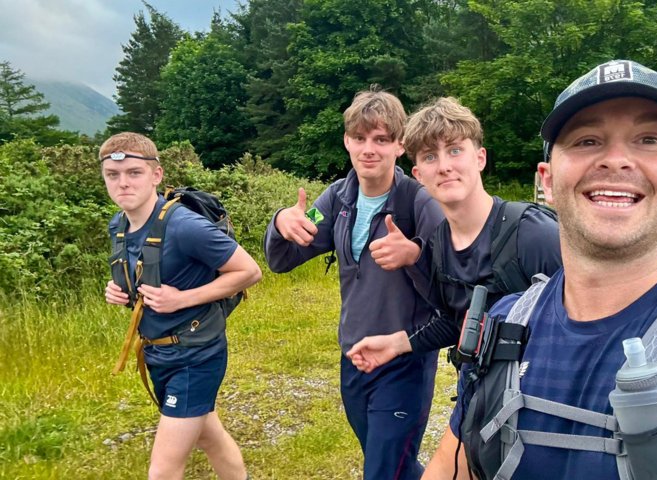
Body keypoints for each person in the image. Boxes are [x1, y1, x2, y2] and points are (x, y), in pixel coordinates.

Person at [423, 60, 657, 479]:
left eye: (649, 138)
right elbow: (451, 467)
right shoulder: (505, 323)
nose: (617, 159)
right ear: (547, 181)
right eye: (587, 140)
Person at [263, 89, 444, 479]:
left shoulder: (420, 203)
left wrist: (415, 255)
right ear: (346, 140)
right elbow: (282, 259)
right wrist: (280, 222)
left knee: (381, 470)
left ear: (399, 145)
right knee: (393, 463)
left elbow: (454, 282)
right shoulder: (335, 199)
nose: (369, 149)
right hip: (355, 358)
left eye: (381, 139)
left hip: (404, 360)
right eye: (359, 138)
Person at [347, 97, 561, 374]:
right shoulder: (439, 245)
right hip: (484, 397)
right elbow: (457, 323)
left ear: (480, 158)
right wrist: (396, 344)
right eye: (430, 157)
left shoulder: (532, 234)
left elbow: (592, 319)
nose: (444, 166)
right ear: (418, 174)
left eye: (455, 150)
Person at [102, 132, 262, 480]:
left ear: (156, 175)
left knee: (162, 470)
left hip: (195, 355)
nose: (123, 183)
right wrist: (119, 292)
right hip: (159, 355)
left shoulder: (185, 226)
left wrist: (182, 299)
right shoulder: (119, 225)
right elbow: (149, 279)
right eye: (113, 175)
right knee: (211, 437)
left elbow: (249, 271)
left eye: (134, 173)